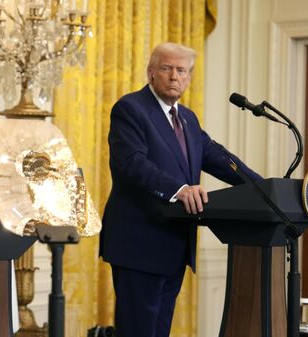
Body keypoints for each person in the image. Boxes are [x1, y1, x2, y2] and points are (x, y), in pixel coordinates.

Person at [100, 42, 261, 337]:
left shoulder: (187, 118)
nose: (174, 76)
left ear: (189, 77)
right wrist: (179, 188)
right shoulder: (130, 109)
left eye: (182, 71)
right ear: (151, 73)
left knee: (160, 331)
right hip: (139, 243)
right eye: (167, 68)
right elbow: (131, 163)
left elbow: (219, 158)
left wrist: (265, 189)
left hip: (174, 243)